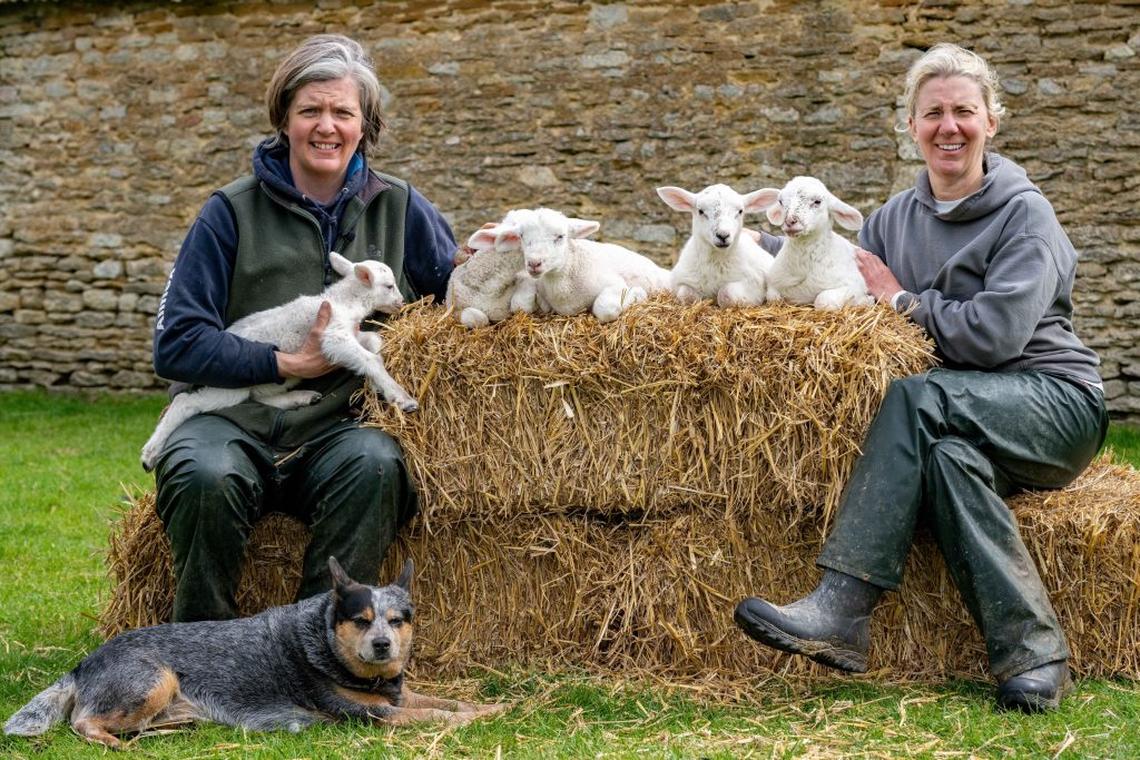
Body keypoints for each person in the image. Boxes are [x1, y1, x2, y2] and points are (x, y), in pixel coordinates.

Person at [733, 43, 1108, 713]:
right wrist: (723, 245)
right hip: (963, 419)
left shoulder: (1026, 215)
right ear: (911, 128)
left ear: (992, 121)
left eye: (965, 110)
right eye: (933, 112)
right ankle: (1034, 659)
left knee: (916, 399)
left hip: (1054, 405)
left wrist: (903, 302)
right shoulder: (891, 222)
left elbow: (995, 338)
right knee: (947, 463)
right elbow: (812, 255)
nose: (949, 126)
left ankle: (844, 604)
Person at [150, 34, 456, 623]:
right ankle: (202, 651)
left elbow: (458, 297)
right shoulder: (229, 212)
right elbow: (177, 343)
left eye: (343, 112)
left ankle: (316, 648)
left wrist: (504, 261)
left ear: (365, 125)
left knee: (376, 464)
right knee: (204, 474)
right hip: (230, 420)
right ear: (283, 119)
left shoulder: (402, 207)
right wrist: (284, 364)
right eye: (310, 110)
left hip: (337, 428)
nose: (327, 126)